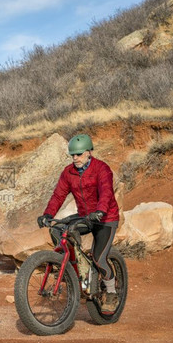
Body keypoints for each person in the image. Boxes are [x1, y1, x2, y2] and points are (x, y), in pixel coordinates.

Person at [37, 133, 120, 314]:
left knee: (99, 258)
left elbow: (106, 192)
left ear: (89, 152)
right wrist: (47, 214)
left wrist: (100, 211)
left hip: (105, 218)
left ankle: (112, 292)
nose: (75, 158)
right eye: (73, 155)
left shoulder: (102, 169)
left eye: (79, 154)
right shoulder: (69, 172)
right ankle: (73, 267)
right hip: (84, 216)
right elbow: (58, 195)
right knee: (58, 228)